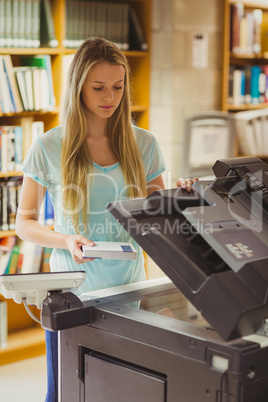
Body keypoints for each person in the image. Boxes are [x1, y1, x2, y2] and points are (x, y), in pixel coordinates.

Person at [15, 37, 197, 402]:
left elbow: (157, 210)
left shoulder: (143, 143)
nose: (109, 98)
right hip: (71, 294)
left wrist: (184, 197)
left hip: (127, 292)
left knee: (121, 390)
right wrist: (66, 240)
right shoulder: (48, 147)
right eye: (98, 88)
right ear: (78, 86)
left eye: (117, 87)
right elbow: (24, 223)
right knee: (64, 391)